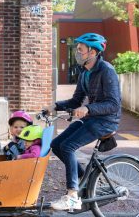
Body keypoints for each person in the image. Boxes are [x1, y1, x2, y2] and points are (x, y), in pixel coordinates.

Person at [48, 33, 121, 211]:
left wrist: (88, 109)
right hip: (92, 118)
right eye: (77, 49)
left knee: (68, 146)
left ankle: (72, 195)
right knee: (57, 144)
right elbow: (75, 101)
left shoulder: (106, 70)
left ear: (93, 51)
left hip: (106, 121)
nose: (77, 52)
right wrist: (54, 107)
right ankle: (85, 182)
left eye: (80, 49)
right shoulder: (84, 73)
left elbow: (113, 104)